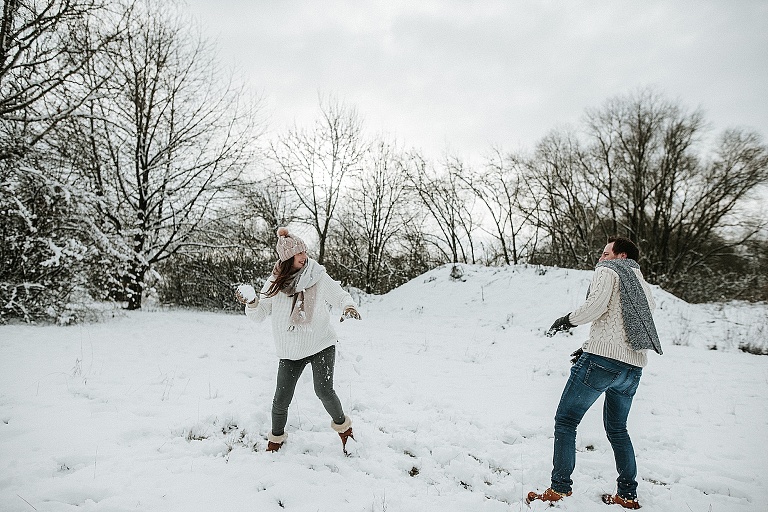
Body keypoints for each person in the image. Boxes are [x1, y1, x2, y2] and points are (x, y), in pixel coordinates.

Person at [527, 236, 662, 510]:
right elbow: (625, 324)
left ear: (622, 256)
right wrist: (589, 346)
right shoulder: (642, 284)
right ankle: (627, 494)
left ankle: (559, 490)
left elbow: (596, 307)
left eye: (606, 253)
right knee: (618, 429)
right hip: (632, 368)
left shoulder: (608, 271)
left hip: (601, 363)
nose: (600, 258)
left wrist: (567, 321)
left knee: (566, 421)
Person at [235, 227, 361, 454]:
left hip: (321, 343)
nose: (304, 256)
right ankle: (275, 442)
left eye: (304, 251)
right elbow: (259, 314)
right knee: (281, 400)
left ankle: (346, 432)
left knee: (324, 390)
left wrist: (348, 306)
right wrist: (252, 302)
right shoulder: (274, 282)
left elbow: (338, 294)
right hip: (291, 350)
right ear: (286, 258)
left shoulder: (317, 275)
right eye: (298, 253)